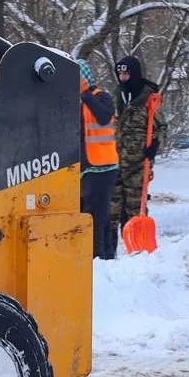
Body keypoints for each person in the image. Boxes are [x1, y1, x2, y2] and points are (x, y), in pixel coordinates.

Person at [112, 55, 166, 230]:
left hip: (138, 162)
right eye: (120, 75)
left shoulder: (149, 98)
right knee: (113, 207)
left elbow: (162, 128)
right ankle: (111, 249)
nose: (123, 78)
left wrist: (155, 146)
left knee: (135, 208)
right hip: (117, 159)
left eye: (126, 74)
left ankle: (137, 250)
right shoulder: (119, 96)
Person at [79, 64, 119, 260]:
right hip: (86, 167)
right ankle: (101, 253)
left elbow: (103, 117)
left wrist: (86, 94)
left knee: (98, 214)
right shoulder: (75, 102)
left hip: (103, 166)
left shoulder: (102, 97)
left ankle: (100, 255)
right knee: (90, 211)